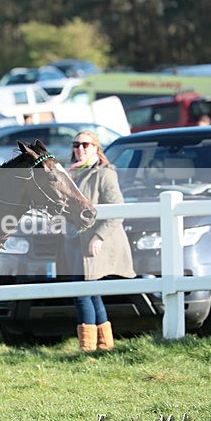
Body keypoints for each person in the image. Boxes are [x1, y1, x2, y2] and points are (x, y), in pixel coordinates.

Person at [64, 130, 135, 353]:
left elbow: (116, 210)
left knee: (83, 292)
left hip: (96, 243)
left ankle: (88, 348)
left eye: (86, 144)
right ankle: (104, 345)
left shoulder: (105, 174)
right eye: (76, 145)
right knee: (91, 293)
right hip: (77, 241)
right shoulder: (72, 173)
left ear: (96, 148)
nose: (80, 149)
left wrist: (99, 236)